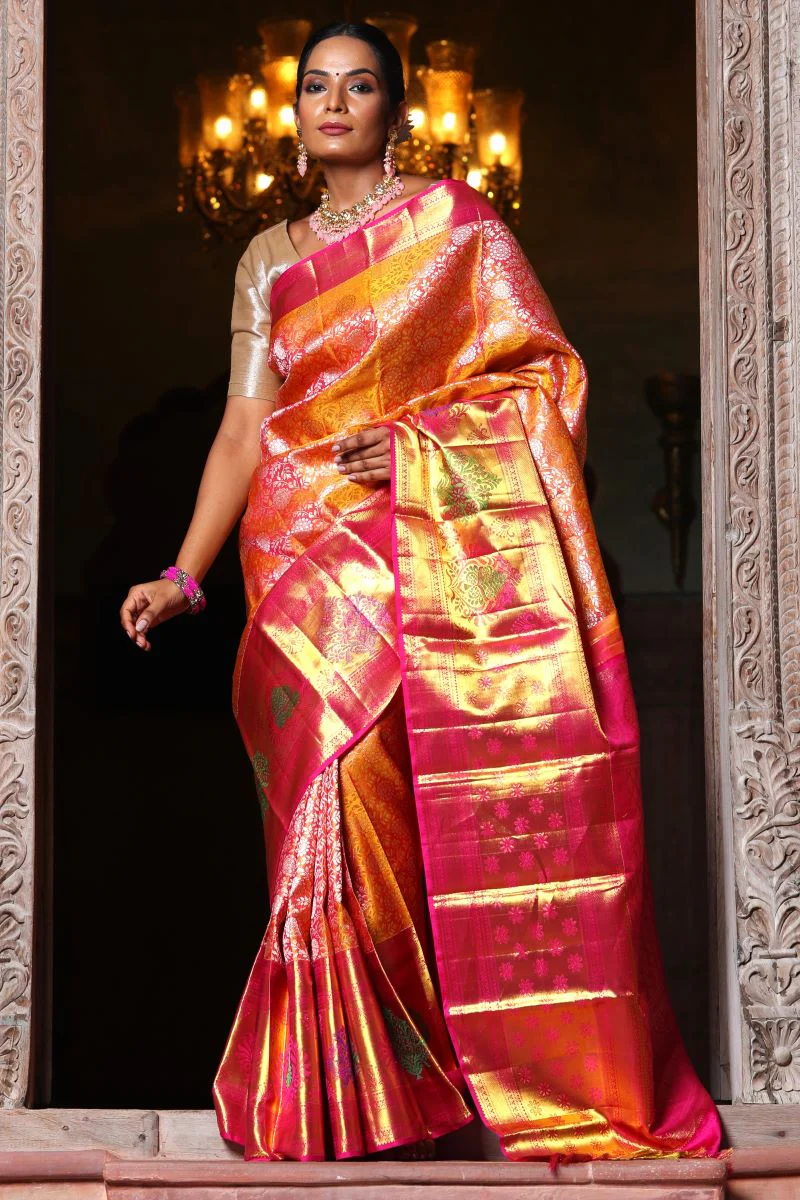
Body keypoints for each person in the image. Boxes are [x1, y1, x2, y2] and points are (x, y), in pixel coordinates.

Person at [120, 20, 723, 1167]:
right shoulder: (265, 256)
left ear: (395, 111)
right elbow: (245, 427)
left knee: (389, 805)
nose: (330, 103)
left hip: (412, 549)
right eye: (314, 87)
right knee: (314, 809)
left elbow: (542, 384)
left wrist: (414, 450)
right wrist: (183, 574)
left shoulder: (454, 228)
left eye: (357, 87)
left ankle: (425, 1087)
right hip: (292, 557)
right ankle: (341, 1100)